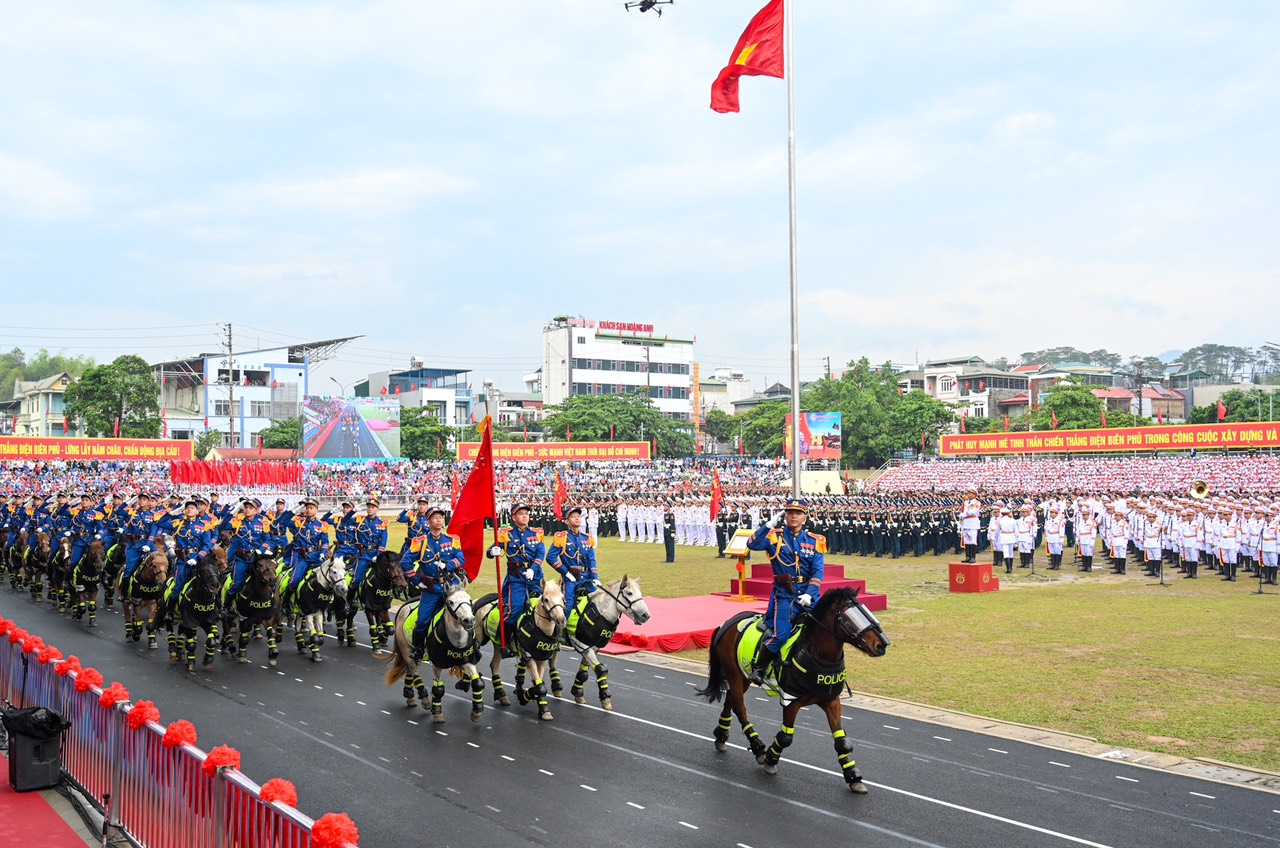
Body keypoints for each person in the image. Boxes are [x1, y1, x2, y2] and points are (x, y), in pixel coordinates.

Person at [745, 498, 824, 685]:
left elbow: (818, 571)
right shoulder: (774, 537)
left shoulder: (815, 541)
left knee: (827, 629)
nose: (793, 516)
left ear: (805, 517)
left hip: (808, 594)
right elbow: (751, 544)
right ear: (785, 516)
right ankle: (759, 668)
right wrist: (767, 526)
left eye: (798, 513)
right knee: (781, 635)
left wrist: (810, 593)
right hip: (785, 595)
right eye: (790, 513)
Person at [406, 505, 464, 662]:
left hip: (452, 587)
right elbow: (406, 563)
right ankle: (419, 649)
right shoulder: (421, 542)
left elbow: (461, 558)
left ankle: (470, 646)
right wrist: (418, 581)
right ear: (429, 522)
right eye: (435, 518)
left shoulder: (453, 540)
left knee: (466, 614)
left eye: (441, 517)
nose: (439, 520)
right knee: (423, 620)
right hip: (432, 589)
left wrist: (449, 565)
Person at [496, 502, 545, 656]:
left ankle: (549, 640)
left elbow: (540, 554)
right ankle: (504, 641)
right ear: (513, 517)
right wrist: (494, 551)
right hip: (516, 578)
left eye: (526, 513)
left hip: (535, 576)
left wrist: (533, 569)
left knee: (550, 606)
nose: (525, 516)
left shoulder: (536, 533)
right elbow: (491, 551)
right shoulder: (506, 534)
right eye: (521, 513)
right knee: (515, 610)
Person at [546, 505, 597, 616]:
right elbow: (550, 557)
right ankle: (563, 631)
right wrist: (566, 572)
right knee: (567, 607)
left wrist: (595, 577)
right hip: (571, 578)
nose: (577, 518)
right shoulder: (562, 537)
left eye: (578, 516)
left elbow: (592, 559)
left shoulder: (586, 538)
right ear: (566, 521)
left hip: (587, 577)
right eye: (573, 516)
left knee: (597, 603)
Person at [282, 498, 331, 608]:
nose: (308, 510)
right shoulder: (298, 522)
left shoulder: (323, 525)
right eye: (307, 508)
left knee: (330, 579)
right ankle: (286, 603)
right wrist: (294, 510)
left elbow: (325, 542)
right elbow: (283, 522)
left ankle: (329, 605)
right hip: (303, 557)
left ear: (316, 510)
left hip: (317, 557)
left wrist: (323, 552)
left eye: (311, 508)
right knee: (294, 580)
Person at [224, 499, 274, 599]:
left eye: (251, 508)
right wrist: (232, 512)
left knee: (270, 579)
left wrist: (261, 550)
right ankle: (226, 606)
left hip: (258, 558)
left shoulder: (263, 522)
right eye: (246, 507)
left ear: (257, 510)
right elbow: (224, 525)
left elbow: (267, 539)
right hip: (242, 559)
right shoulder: (237, 520)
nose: (247, 510)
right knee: (237, 583)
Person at [169, 500, 213, 596]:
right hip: (183, 560)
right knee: (177, 587)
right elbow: (160, 523)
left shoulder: (204, 526)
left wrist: (197, 557)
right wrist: (174, 513)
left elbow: (207, 545)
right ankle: (169, 611)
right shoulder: (178, 524)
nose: (189, 509)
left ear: (197, 511)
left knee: (211, 583)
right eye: (187, 508)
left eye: (192, 508)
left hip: (198, 560)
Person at [350, 498, 388, 596]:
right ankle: (350, 600)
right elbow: (345, 520)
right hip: (364, 555)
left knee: (387, 576)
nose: (370, 509)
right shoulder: (360, 520)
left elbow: (383, 542)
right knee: (356, 579)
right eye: (368, 507)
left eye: (372, 507)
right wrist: (353, 511)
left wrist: (378, 556)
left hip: (376, 554)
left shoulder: (382, 523)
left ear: (377, 509)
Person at [959, 488, 981, 562]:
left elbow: (973, 512)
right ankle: (968, 556)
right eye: (967, 493)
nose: (968, 494)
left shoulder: (977, 503)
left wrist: (963, 515)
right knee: (967, 540)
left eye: (969, 493)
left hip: (972, 523)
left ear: (974, 494)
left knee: (973, 540)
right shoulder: (965, 503)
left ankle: (973, 557)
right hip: (965, 523)